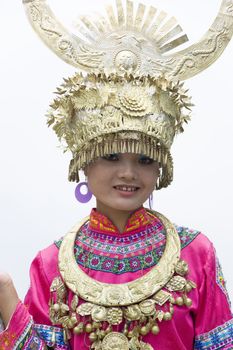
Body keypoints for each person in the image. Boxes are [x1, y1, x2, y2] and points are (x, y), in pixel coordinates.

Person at [0, 0, 233, 349]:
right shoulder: (51, 264)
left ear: (160, 168)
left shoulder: (196, 253)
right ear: (84, 160)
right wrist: (5, 293)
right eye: (111, 156)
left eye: (144, 159)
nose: (128, 173)